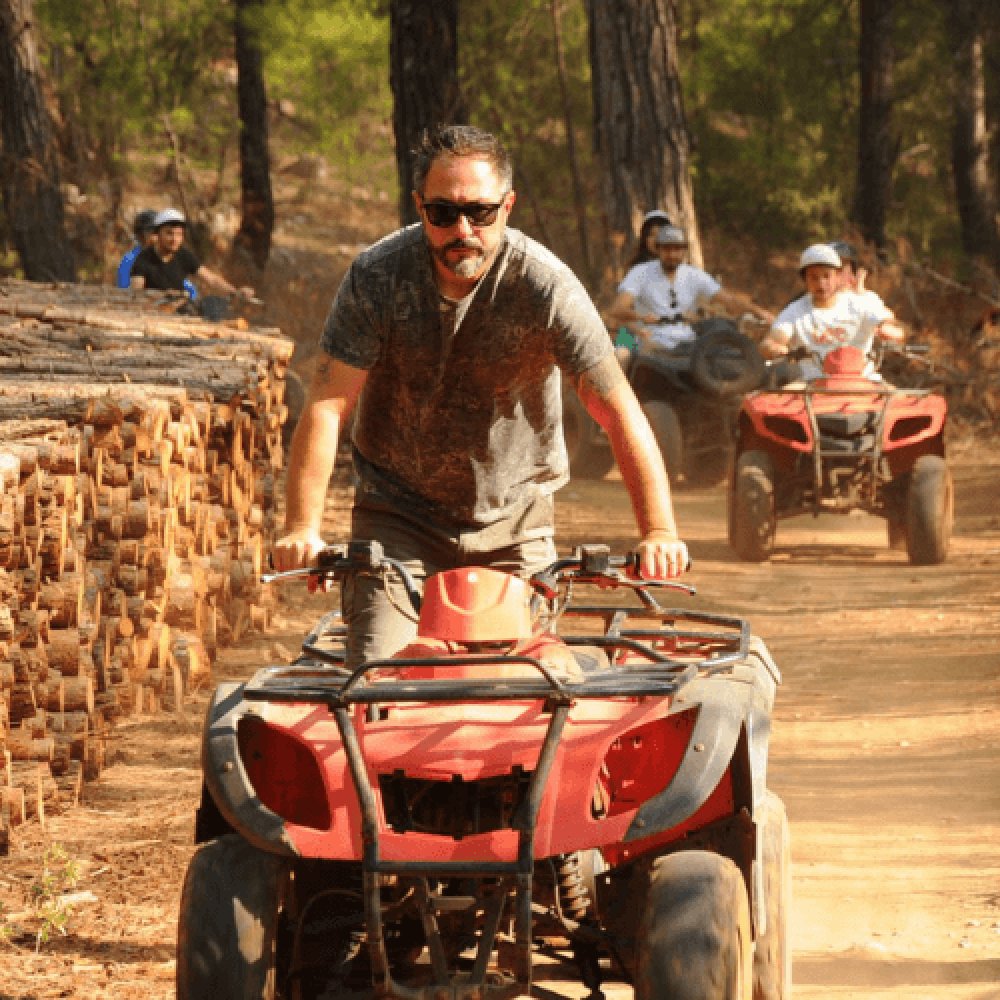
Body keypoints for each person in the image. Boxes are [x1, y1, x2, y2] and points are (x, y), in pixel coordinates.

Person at [272, 123, 689, 668]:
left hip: (514, 525)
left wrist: (658, 532)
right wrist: (302, 528)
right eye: (443, 213)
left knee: (536, 685)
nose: (462, 229)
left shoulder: (545, 286)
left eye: (481, 213)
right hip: (397, 519)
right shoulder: (377, 278)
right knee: (379, 679)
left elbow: (618, 414)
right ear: (420, 207)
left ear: (507, 206)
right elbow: (328, 406)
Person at [607, 224, 774, 355]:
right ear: (658, 249)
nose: (672, 254)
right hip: (650, 340)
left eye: (677, 249)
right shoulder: (640, 272)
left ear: (684, 250)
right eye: (666, 249)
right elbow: (617, 310)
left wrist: (760, 313)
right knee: (621, 357)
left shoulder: (694, 275)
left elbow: (729, 300)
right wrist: (642, 317)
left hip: (689, 342)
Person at [761, 243, 904, 379]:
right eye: (814, 277)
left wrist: (890, 330)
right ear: (805, 280)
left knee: (904, 403)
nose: (821, 284)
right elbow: (771, 341)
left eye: (826, 276)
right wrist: (774, 347)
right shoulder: (795, 311)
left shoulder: (860, 304)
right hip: (810, 386)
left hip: (862, 381)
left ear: (837, 276)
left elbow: (893, 326)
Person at [129, 208, 253, 301]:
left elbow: (212, 279)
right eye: (169, 233)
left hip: (180, 311)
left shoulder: (184, 255)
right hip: (153, 315)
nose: (174, 239)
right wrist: (163, 296)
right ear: (158, 234)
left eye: (179, 234)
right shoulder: (143, 259)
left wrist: (236, 292)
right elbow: (137, 293)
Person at [117, 208, 198, 299]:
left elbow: (189, 290)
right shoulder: (130, 259)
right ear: (140, 235)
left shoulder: (172, 255)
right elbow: (125, 289)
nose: (154, 237)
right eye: (150, 233)